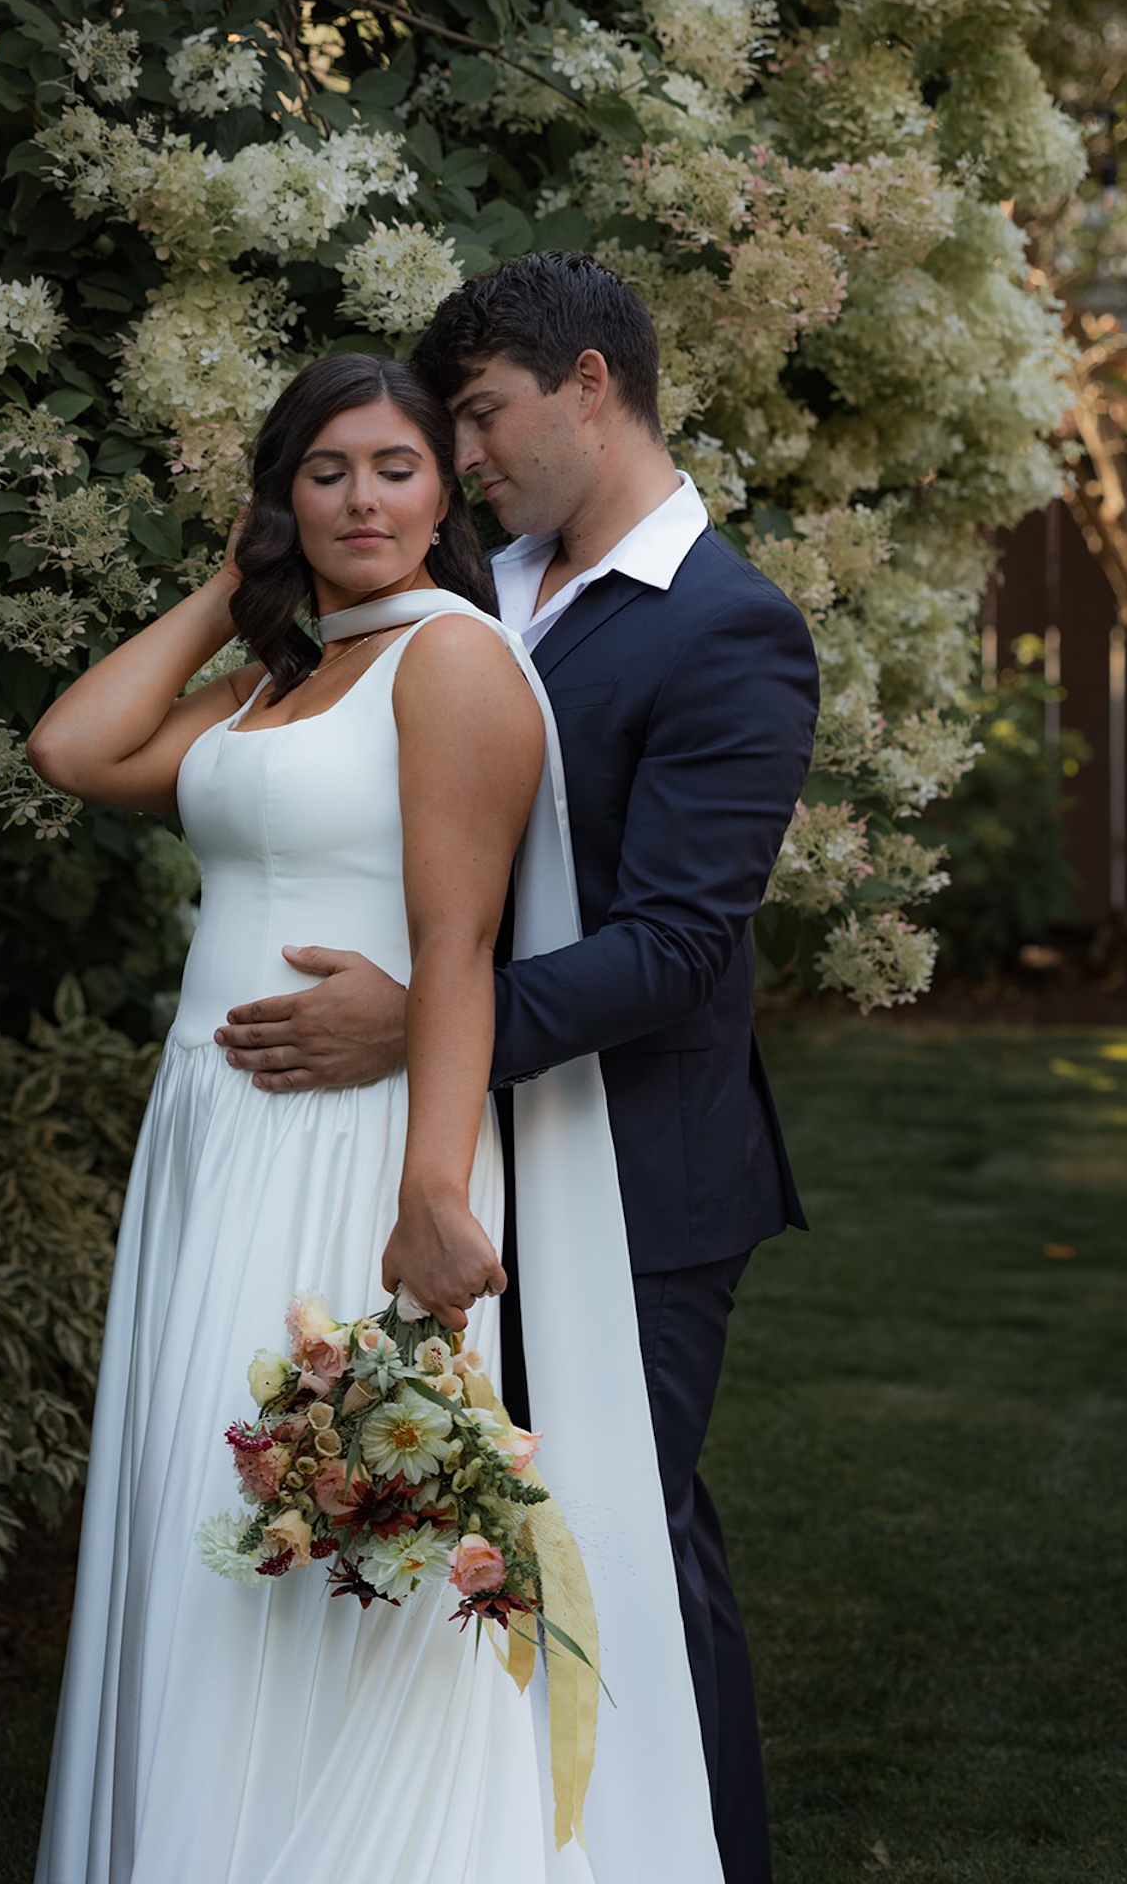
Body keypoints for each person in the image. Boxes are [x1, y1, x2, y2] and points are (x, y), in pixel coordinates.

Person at [26, 351, 723, 1884]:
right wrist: (234, 586)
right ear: (282, 496)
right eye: (324, 469)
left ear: (442, 497)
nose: (361, 496)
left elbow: (460, 950)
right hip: (214, 1137)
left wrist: (432, 1193)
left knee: (326, 1519)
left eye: (397, 466)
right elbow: (75, 751)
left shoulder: (451, 661)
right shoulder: (287, 673)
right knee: (198, 1512)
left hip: (353, 1147)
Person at [213, 253, 820, 1884]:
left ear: (593, 385)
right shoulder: (490, 591)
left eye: (480, 417)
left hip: (640, 1176)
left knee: (620, 1552)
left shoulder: (731, 631)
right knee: (466, 1548)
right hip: (459, 1158)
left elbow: (677, 948)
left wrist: (414, 1023)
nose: (460, 456)